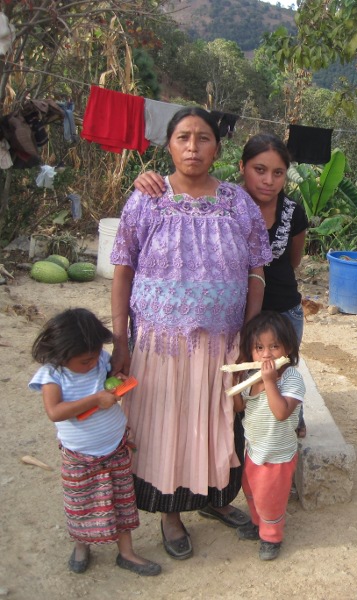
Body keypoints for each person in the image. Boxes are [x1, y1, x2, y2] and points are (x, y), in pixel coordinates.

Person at [110, 107, 272, 561]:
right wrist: (120, 338)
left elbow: (256, 270)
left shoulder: (238, 202)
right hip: (159, 343)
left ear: (217, 149)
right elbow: (122, 271)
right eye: (183, 137)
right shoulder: (147, 198)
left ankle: (217, 499)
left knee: (218, 422)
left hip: (222, 340)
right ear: (169, 146)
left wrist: (249, 334)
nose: (193, 147)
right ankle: (171, 514)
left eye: (203, 139)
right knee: (167, 425)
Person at [134, 133, 310, 436]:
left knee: (281, 371)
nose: (268, 180)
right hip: (233, 312)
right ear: (242, 166)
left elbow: (293, 260)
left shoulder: (293, 211)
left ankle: (288, 425)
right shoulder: (225, 204)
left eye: (278, 173)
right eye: (259, 170)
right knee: (237, 381)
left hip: (282, 310)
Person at [29, 308, 161, 576]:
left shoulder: (99, 357)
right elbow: (55, 412)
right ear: (62, 354)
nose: (91, 363)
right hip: (80, 455)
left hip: (115, 446)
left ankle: (126, 552)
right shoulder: (52, 375)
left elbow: (106, 385)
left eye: (93, 357)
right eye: (84, 361)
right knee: (82, 503)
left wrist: (116, 385)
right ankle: (82, 545)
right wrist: (95, 400)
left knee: (123, 500)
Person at [231, 311, 305, 561]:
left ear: (288, 347)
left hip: (278, 455)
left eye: (274, 346)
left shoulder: (292, 378)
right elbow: (240, 408)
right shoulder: (249, 378)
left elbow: (282, 412)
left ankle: (271, 536)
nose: (266, 354)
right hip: (254, 450)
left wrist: (270, 382)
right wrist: (233, 384)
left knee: (270, 498)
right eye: (259, 347)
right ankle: (257, 523)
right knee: (251, 490)